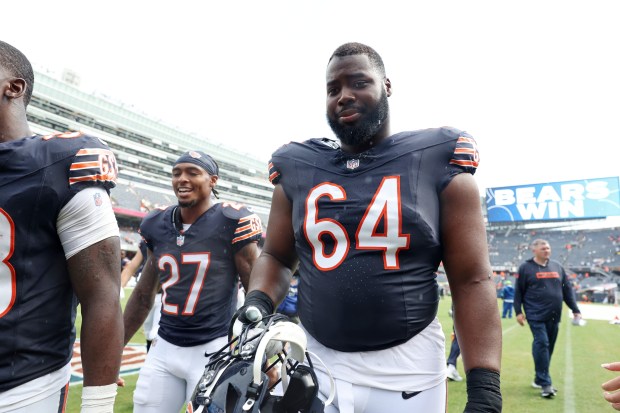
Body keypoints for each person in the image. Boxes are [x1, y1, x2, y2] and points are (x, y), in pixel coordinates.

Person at [237, 42, 502, 412]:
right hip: (317, 361)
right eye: (333, 89)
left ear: (387, 86)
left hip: (407, 367)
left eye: (359, 82)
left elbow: (472, 279)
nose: (344, 96)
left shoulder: (435, 159)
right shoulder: (297, 166)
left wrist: (485, 386)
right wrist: (257, 301)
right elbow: (278, 257)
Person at [0, 41, 123, 412]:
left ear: (14, 87)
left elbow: (102, 295)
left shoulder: (61, 164)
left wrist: (98, 405)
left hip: (22, 384)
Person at [122, 150, 263, 412]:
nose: (182, 179)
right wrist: (115, 347)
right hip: (164, 346)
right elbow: (143, 295)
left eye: (192, 172)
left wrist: (260, 351)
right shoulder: (157, 223)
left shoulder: (231, 221)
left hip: (214, 347)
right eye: (176, 173)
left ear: (213, 180)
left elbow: (257, 293)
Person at [514, 238, 582, 398]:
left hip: (554, 315)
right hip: (535, 314)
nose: (547, 250)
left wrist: (575, 309)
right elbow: (518, 292)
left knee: (548, 347)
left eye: (548, 248)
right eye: (543, 248)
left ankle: (539, 378)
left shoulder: (557, 266)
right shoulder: (525, 267)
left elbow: (567, 291)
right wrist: (518, 311)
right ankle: (546, 384)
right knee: (542, 343)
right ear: (534, 250)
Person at [121, 240, 162, 352]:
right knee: (149, 333)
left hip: (166, 296)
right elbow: (131, 267)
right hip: (146, 295)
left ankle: (154, 365)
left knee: (157, 334)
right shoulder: (148, 238)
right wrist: (119, 289)